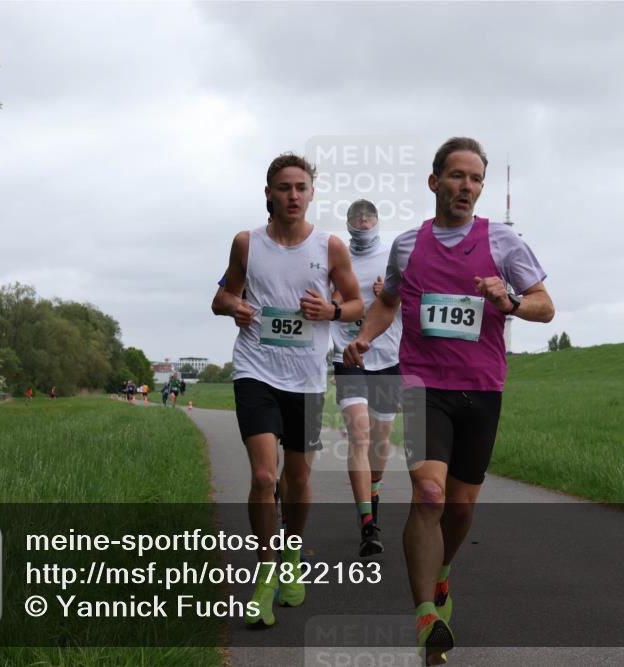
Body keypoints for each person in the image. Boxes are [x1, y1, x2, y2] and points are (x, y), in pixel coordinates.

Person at [344, 137, 554, 663]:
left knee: (460, 508)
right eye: (457, 176)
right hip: (422, 386)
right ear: (434, 181)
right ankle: (424, 617)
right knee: (430, 496)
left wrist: (507, 300)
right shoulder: (408, 246)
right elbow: (387, 301)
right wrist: (367, 337)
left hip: (482, 389)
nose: (467, 187)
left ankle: (441, 575)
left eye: (476, 179)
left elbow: (545, 307)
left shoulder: (503, 242)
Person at [212, 152, 362, 628]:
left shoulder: (330, 247)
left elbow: (358, 303)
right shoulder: (246, 244)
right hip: (255, 369)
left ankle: (292, 554)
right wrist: (233, 306)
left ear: (311, 193)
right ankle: (265, 572)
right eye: (284, 187)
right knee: (262, 477)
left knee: (296, 480)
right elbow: (221, 297)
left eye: (301, 187)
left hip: (305, 377)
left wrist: (332, 313)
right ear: (269, 194)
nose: (293, 195)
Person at [330, 199, 402, 557]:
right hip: (348, 356)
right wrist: (334, 303)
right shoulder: (337, 257)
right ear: (348, 224)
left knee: (380, 441)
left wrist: (388, 298)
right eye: (355, 218)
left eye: (367, 217)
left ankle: (373, 491)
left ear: (377, 221)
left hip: (388, 357)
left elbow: (410, 299)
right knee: (359, 431)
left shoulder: (393, 254)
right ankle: (367, 524)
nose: (361, 223)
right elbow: (324, 303)